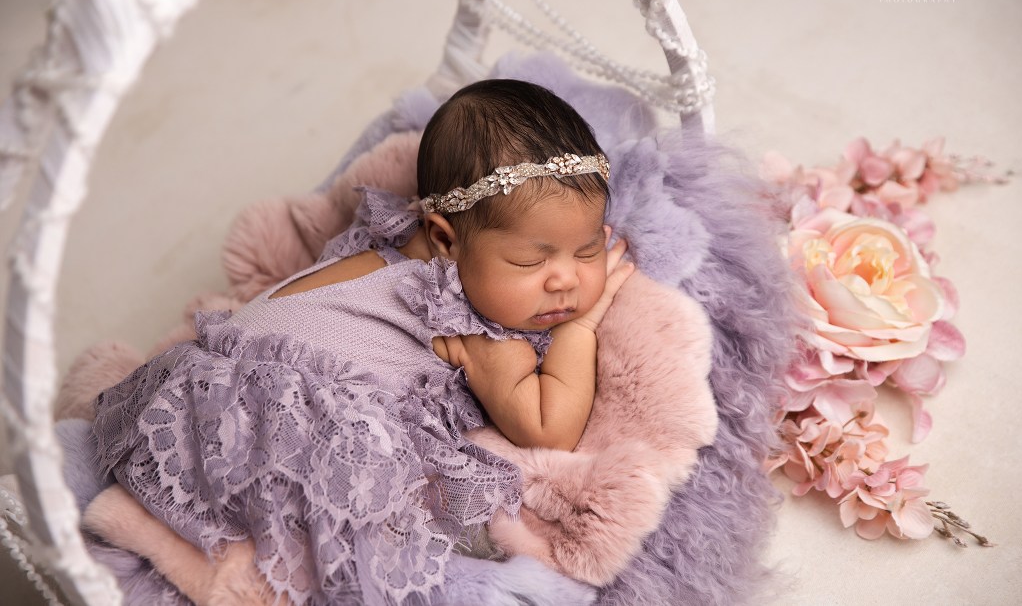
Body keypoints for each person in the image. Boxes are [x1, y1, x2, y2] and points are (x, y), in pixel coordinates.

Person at [90, 79, 633, 605]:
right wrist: (578, 329)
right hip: (279, 417)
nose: (565, 279)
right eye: (530, 261)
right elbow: (549, 426)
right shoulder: (464, 315)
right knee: (356, 532)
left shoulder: (392, 244)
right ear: (445, 239)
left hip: (198, 385)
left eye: (587, 251)